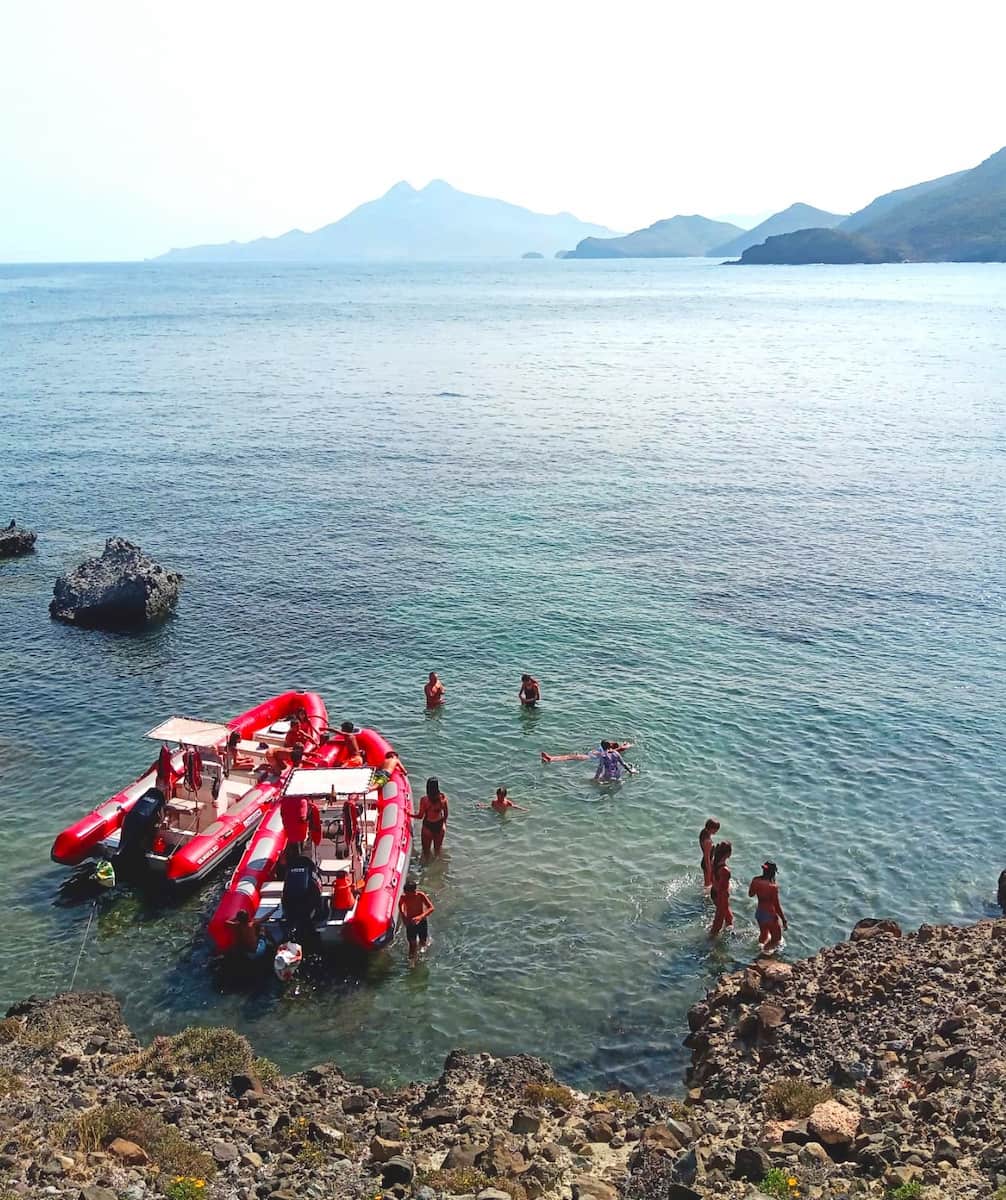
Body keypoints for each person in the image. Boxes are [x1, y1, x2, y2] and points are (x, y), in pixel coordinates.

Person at [282, 850, 324, 942]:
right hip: (304, 907)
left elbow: (284, 897)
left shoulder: (292, 879)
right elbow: (317, 894)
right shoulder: (310, 877)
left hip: (293, 907)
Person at [749, 861, 788, 953]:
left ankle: (759, 949)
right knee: (777, 939)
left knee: (764, 935)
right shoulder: (773, 887)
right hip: (770, 915)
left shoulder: (755, 880)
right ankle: (763, 954)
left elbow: (750, 894)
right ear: (773, 872)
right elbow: (777, 906)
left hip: (759, 913)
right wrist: (784, 920)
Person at [410, 777, 449, 859]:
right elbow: (446, 814)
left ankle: (426, 867)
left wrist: (409, 814)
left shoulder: (424, 800)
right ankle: (438, 867)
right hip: (440, 827)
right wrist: (443, 824)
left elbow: (420, 816)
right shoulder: (443, 799)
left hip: (428, 827)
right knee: (437, 851)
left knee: (426, 853)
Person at [280, 757, 310, 851]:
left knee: (292, 844)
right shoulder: (302, 801)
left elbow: (282, 812)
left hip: (290, 827)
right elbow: (303, 817)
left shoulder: (286, 798)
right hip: (297, 830)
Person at [399, 880, 434, 959]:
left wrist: (420, 917)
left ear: (414, 891)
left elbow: (431, 908)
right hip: (410, 922)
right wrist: (403, 917)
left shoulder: (420, 895)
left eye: (408, 893)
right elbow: (400, 905)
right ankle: (411, 961)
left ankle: (423, 957)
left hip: (421, 921)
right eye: (405, 892)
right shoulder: (403, 897)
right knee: (412, 944)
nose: (406, 895)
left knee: (422, 942)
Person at [708, 841, 734, 938]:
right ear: (728, 853)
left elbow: (711, 878)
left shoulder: (714, 861)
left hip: (714, 892)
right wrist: (724, 899)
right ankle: (710, 943)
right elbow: (723, 889)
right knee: (717, 924)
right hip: (721, 896)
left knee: (729, 918)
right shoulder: (725, 870)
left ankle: (730, 931)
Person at [541, 740, 633, 764]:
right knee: (569, 756)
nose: (610, 743)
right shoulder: (606, 749)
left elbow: (621, 748)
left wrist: (625, 746)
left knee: (569, 757)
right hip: (587, 756)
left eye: (611, 744)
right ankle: (551, 759)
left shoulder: (611, 751)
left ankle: (551, 759)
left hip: (588, 758)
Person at [700, 819, 721, 889]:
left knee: (710, 884)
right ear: (711, 828)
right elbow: (707, 858)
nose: (716, 831)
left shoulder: (704, 833)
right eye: (716, 829)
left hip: (707, 862)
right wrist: (709, 870)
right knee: (707, 886)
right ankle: (703, 898)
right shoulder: (707, 842)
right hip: (707, 864)